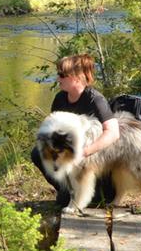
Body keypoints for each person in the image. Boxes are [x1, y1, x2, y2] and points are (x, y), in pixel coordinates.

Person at [31, 53, 121, 206]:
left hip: (95, 160)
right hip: (72, 158)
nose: (58, 79)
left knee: (99, 198)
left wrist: (84, 152)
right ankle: (66, 189)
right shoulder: (60, 98)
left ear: (77, 77)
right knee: (38, 153)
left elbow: (113, 133)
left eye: (62, 75)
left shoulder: (95, 99)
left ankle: (90, 192)